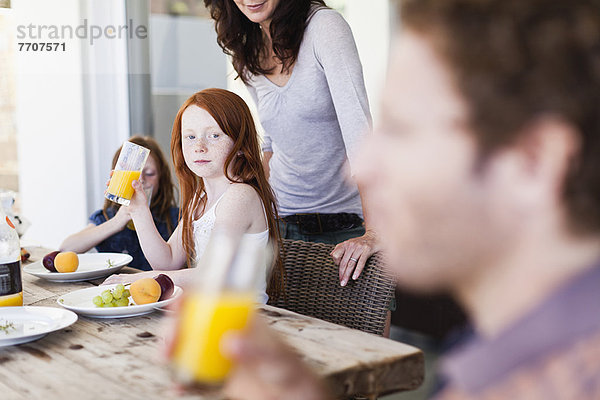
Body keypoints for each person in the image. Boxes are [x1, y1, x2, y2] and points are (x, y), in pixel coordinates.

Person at [211, 0, 600, 399]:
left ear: (534, 163)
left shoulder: (554, 382)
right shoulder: (501, 359)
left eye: (403, 129)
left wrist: (372, 228)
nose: (358, 168)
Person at [203, 0, 378, 285]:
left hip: (346, 227)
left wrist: (374, 232)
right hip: (282, 226)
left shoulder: (324, 28)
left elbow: (360, 135)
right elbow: (271, 145)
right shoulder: (247, 50)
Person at [104, 88, 283, 303]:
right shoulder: (201, 197)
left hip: (243, 322)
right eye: (190, 136)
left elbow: (209, 275)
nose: (199, 146)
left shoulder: (240, 196)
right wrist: (139, 209)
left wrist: (137, 278)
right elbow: (167, 262)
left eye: (214, 135)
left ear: (241, 146)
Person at [60, 136, 178, 271]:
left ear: (162, 179)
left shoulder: (175, 218)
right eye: (133, 173)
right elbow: (65, 249)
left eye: (150, 173)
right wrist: (117, 222)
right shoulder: (107, 217)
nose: (140, 181)